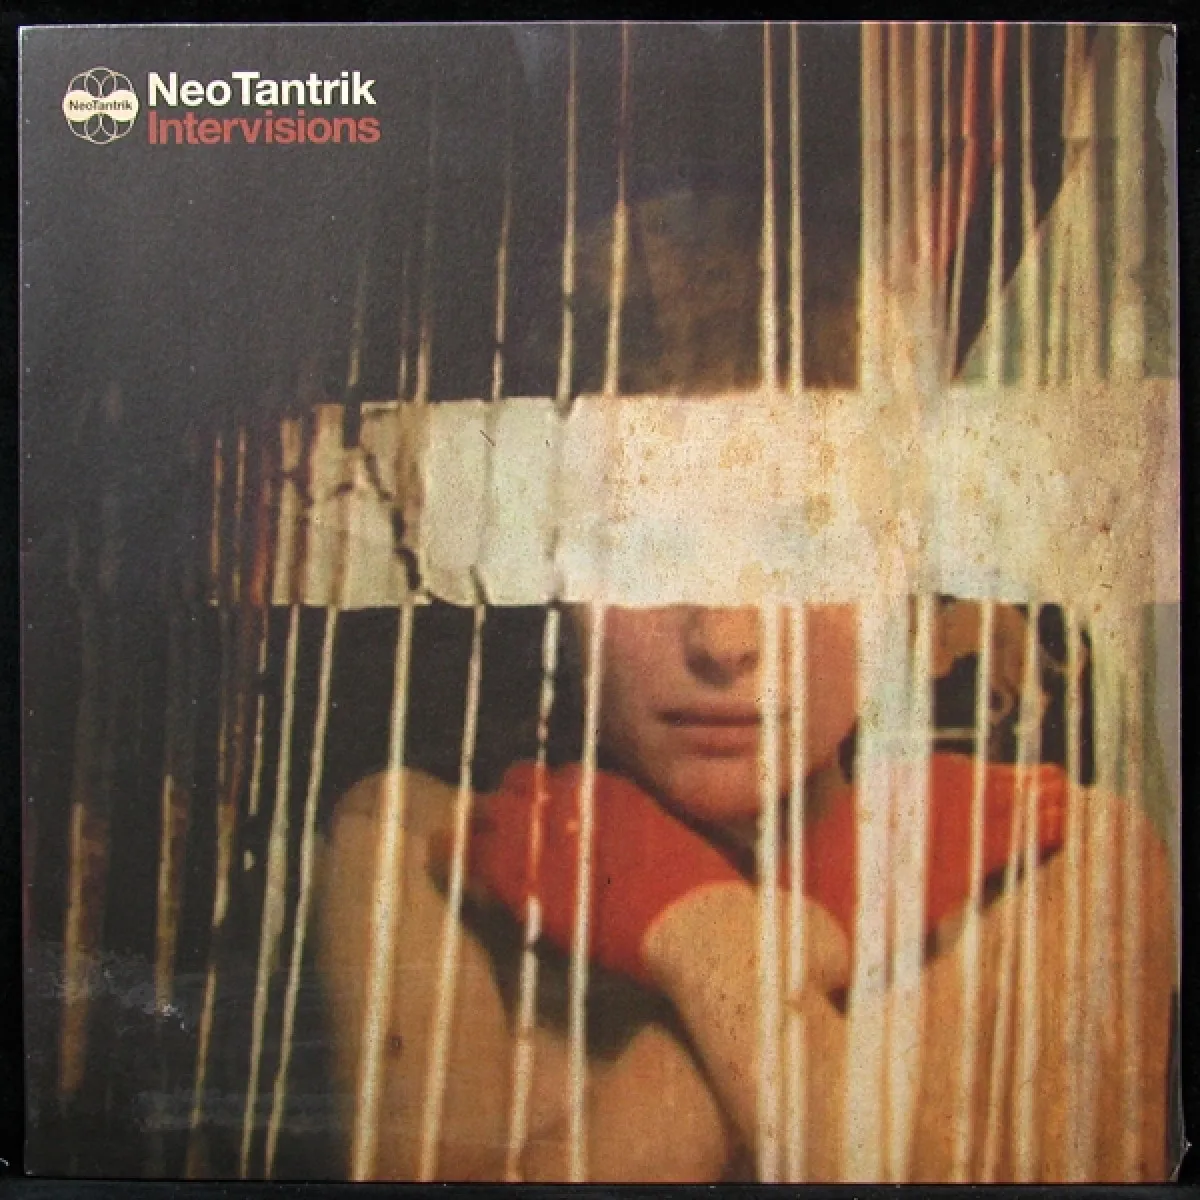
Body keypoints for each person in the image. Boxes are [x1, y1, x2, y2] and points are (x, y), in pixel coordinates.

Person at [315, 192, 1175, 1182]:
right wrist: (741, 939)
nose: (722, 641)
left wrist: (711, 944)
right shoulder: (418, 846)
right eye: (645, 546)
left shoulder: (1076, 861)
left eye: (797, 545)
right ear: (557, 575)